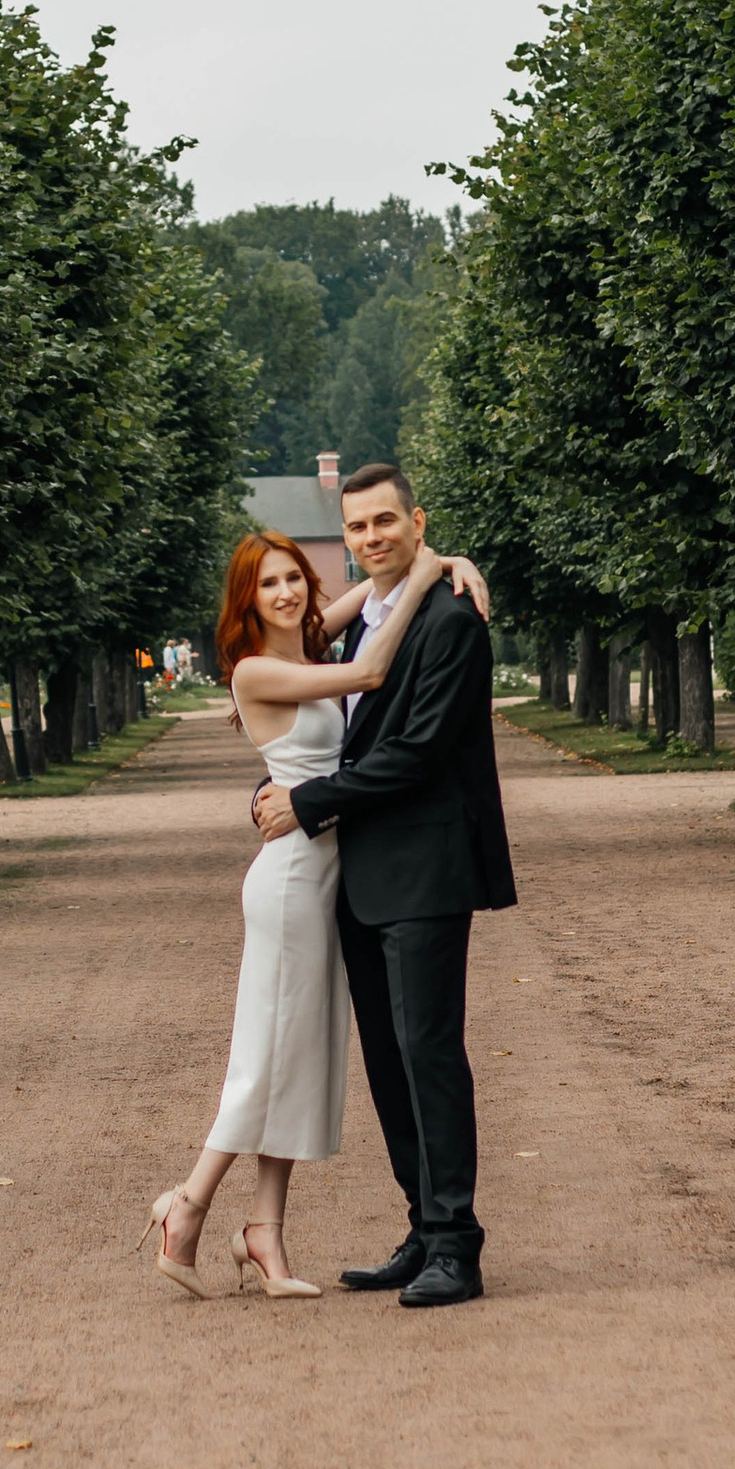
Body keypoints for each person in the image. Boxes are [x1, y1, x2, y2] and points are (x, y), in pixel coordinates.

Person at [143, 527, 481, 1300]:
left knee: (299, 1057)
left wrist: (441, 563)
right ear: (246, 600)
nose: (287, 592)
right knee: (266, 1056)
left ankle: (264, 1230)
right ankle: (187, 1206)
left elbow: (372, 594)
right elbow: (371, 668)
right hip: (293, 879)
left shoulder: (305, 645)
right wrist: (424, 574)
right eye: (268, 584)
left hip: (329, 878)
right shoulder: (258, 669)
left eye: (294, 577)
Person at [250, 462, 515, 1308]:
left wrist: (307, 804)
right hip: (357, 875)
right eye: (357, 526)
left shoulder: (451, 620)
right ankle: (423, 1228)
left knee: (428, 1052)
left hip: (426, 870)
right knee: (389, 1061)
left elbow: (418, 753)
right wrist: (277, 792)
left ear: (417, 522)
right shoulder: (364, 621)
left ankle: (457, 1245)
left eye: (385, 522)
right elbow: (326, 739)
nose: (371, 537)